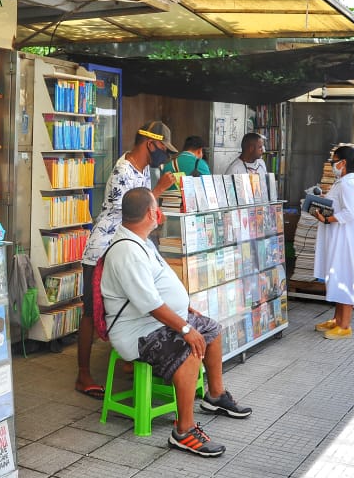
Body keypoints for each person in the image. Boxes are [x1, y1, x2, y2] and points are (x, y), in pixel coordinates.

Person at [101, 188, 251, 457]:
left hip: (156, 321)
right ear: (150, 213)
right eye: (157, 206)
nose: (159, 211)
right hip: (138, 332)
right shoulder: (126, 251)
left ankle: (215, 396)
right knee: (189, 349)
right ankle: (183, 431)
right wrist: (184, 328)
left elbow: (159, 289)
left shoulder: (141, 240)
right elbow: (149, 304)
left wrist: (186, 310)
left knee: (210, 329)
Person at [75, 121, 179, 398]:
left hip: (127, 249)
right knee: (90, 312)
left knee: (130, 305)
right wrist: (158, 191)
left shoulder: (143, 168)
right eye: (162, 149)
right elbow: (130, 213)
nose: (164, 156)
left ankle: (128, 358)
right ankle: (83, 375)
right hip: (104, 251)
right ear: (150, 143)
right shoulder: (123, 170)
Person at [310, 145, 354, 340]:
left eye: (334, 162)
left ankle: (345, 324)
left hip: (345, 240)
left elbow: (350, 212)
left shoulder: (348, 184)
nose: (332, 165)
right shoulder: (343, 182)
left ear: (344, 163)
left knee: (345, 277)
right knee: (337, 276)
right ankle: (337, 318)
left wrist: (327, 219)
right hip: (338, 237)